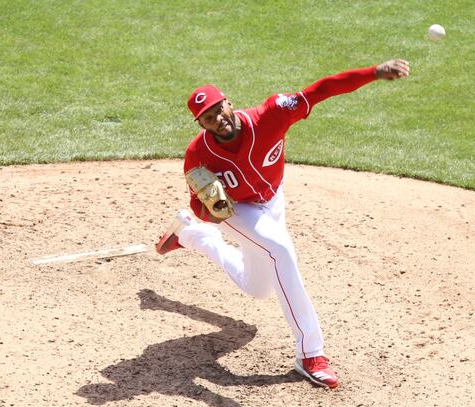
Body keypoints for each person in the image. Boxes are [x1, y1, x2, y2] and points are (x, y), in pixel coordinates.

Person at [155, 59, 411, 389]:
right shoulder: (198, 155)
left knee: (257, 287)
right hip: (239, 211)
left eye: (219, 109)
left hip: (273, 202)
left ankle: (191, 235)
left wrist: (374, 73)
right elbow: (197, 203)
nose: (218, 119)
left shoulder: (272, 113)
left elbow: (322, 89)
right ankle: (310, 353)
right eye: (208, 118)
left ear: (228, 102)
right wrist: (212, 214)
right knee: (280, 250)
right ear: (201, 123)